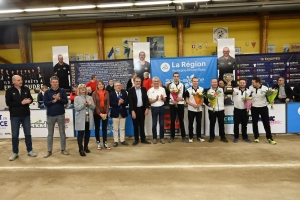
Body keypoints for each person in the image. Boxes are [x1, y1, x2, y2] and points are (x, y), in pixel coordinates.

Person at [5, 75, 37, 161]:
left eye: (21, 80)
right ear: (13, 81)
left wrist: (29, 101)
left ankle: (30, 150)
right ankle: (15, 152)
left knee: (28, 133)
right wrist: (21, 102)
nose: (20, 81)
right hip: (15, 115)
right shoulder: (9, 91)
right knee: (15, 135)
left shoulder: (26, 89)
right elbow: (8, 103)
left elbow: (31, 99)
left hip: (26, 115)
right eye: (18, 80)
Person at [43, 76, 69, 158]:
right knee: (50, 134)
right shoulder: (47, 92)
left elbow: (66, 101)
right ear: (50, 83)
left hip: (61, 114)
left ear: (58, 83)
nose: (55, 83)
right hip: (50, 115)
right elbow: (45, 103)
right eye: (53, 82)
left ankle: (63, 149)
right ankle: (49, 150)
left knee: (62, 133)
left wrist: (59, 99)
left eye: (56, 82)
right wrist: (53, 101)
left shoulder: (62, 91)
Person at [249, 77, 276, 145]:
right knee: (254, 123)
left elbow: (269, 98)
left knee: (266, 123)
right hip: (254, 108)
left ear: (258, 82)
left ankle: (269, 138)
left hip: (263, 107)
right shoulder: (250, 88)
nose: (252, 84)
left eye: (253, 82)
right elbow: (248, 97)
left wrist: (272, 99)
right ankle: (256, 137)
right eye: (252, 82)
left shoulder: (265, 88)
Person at [128, 77, 151, 145]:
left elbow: (146, 100)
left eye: (139, 81)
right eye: (137, 81)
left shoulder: (144, 89)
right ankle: (136, 139)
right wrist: (132, 111)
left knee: (142, 125)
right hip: (134, 110)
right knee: (135, 125)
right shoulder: (130, 90)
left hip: (142, 109)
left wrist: (147, 108)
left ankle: (143, 139)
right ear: (134, 82)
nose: (138, 82)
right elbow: (130, 101)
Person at [204, 78, 229, 143]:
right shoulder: (207, 90)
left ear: (217, 83)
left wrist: (229, 85)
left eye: (215, 82)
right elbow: (205, 100)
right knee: (212, 124)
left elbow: (229, 92)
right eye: (213, 82)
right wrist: (208, 104)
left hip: (221, 110)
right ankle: (212, 137)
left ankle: (222, 137)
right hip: (211, 110)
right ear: (210, 83)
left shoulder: (222, 89)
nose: (214, 83)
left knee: (221, 124)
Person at [74, 84, 95, 156]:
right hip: (80, 118)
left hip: (88, 118)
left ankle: (86, 147)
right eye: (81, 88)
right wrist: (83, 104)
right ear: (79, 90)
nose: (83, 89)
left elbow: (93, 107)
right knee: (80, 134)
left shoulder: (90, 97)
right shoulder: (76, 98)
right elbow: (76, 108)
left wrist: (90, 104)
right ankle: (81, 149)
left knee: (87, 133)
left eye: (84, 88)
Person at [168, 72, 188, 143]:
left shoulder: (182, 85)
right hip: (172, 105)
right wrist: (171, 100)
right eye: (175, 76)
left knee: (181, 120)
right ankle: (172, 137)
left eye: (177, 76)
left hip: (180, 104)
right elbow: (167, 96)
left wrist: (182, 99)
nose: (176, 77)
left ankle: (183, 136)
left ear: (179, 77)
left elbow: (185, 95)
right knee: (172, 120)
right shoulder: (170, 85)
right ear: (173, 77)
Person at [185, 77, 205, 143]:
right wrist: (192, 105)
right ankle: (191, 137)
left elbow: (202, 99)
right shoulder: (188, 90)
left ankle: (199, 136)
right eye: (194, 81)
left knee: (199, 123)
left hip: (199, 109)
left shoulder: (201, 89)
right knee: (190, 123)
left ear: (198, 82)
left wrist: (200, 104)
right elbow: (187, 100)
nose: (195, 82)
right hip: (191, 109)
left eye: (196, 81)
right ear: (192, 82)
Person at [92, 80, 111, 150]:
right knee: (97, 128)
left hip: (105, 113)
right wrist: (100, 114)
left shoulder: (107, 92)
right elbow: (94, 104)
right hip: (97, 113)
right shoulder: (94, 93)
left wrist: (106, 113)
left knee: (104, 128)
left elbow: (108, 103)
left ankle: (105, 142)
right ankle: (98, 142)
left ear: (103, 85)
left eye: (102, 84)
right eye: (99, 84)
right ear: (97, 86)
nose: (101, 85)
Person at [231, 78, 252, 143]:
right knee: (236, 124)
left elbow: (250, 100)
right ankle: (236, 137)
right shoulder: (234, 90)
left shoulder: (249, 91)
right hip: (237, 109)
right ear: (238, 83)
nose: (242, 84)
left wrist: (249, 104)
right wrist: (229, 84)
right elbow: (227, 90)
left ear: (245, 83)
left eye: (243, 83)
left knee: (244, 124)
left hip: (245, 110)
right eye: (241, 82)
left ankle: (245, 137)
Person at [147, 77, 166, 144]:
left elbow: (165, 100)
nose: (156, 82)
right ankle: (154, 138)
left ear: (159, 82)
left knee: (162, 124)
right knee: (154, 124)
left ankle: (162, 138)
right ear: (152, 82)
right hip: (154, 108)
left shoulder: (162, 89)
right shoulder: (150, 90)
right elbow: (150, 101)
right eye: (155, 81)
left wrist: (162, 98)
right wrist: (156, 99)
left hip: (161, 107)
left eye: (157, 81)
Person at [110, 81, 129, 147]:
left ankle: (122, 140)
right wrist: (118, 103)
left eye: (120, 85)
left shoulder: (124, 93)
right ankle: (115, 141)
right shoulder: (111, 94)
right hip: (115, 113)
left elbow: (127, 102)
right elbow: (111, 103)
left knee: (122, 128)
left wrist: (122, 102)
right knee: (115, 128)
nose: (119, 87)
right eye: (117, 85)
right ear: (114, 87)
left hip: (123, 113)